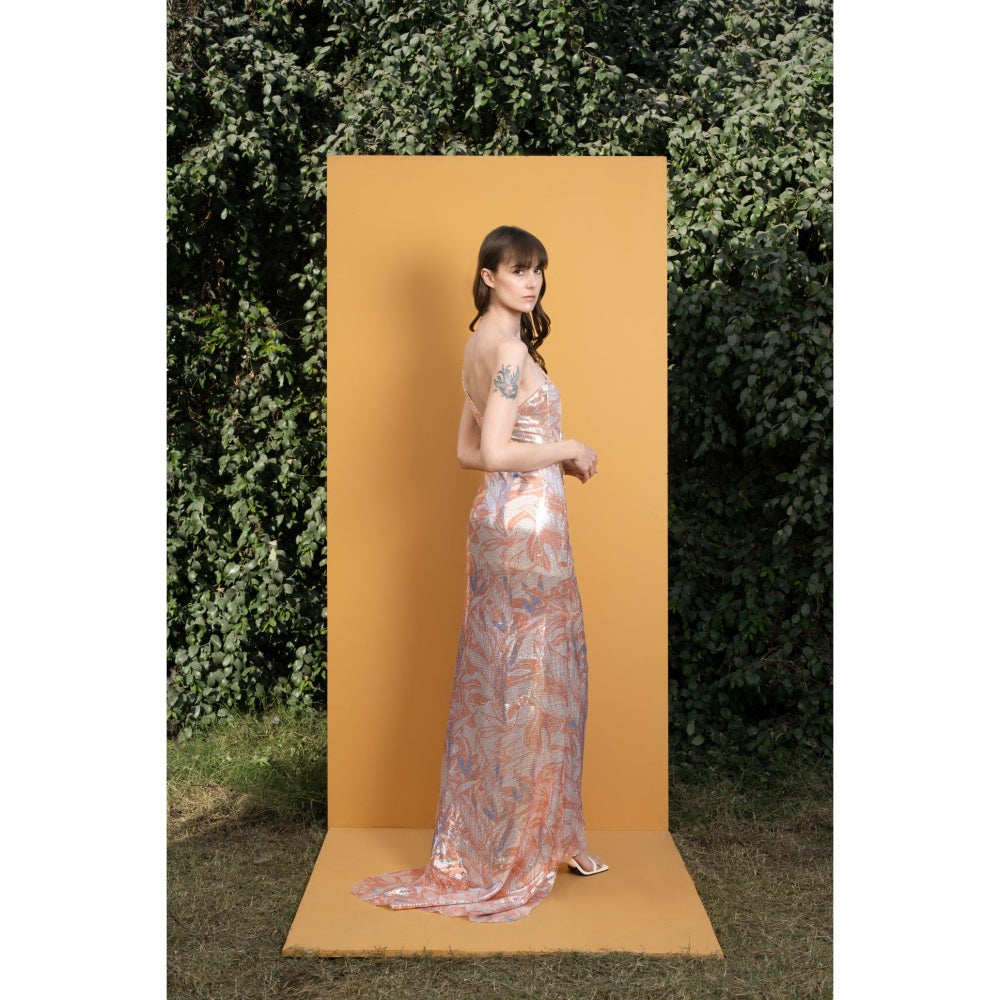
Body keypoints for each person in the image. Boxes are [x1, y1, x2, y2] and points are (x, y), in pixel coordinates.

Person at [350, 225, 608, 923]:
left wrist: (547, 459)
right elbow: (492, 451)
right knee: (538, 679)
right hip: (528, 531)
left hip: (495, 523)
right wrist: (569, 447)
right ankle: (520, 848)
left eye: (538, 270)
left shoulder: (477, 348)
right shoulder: (509, 352)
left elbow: (468, 453)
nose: (533, 282)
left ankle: (527, 836)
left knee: (501, 680)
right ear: (489, 276)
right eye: (518, 270)